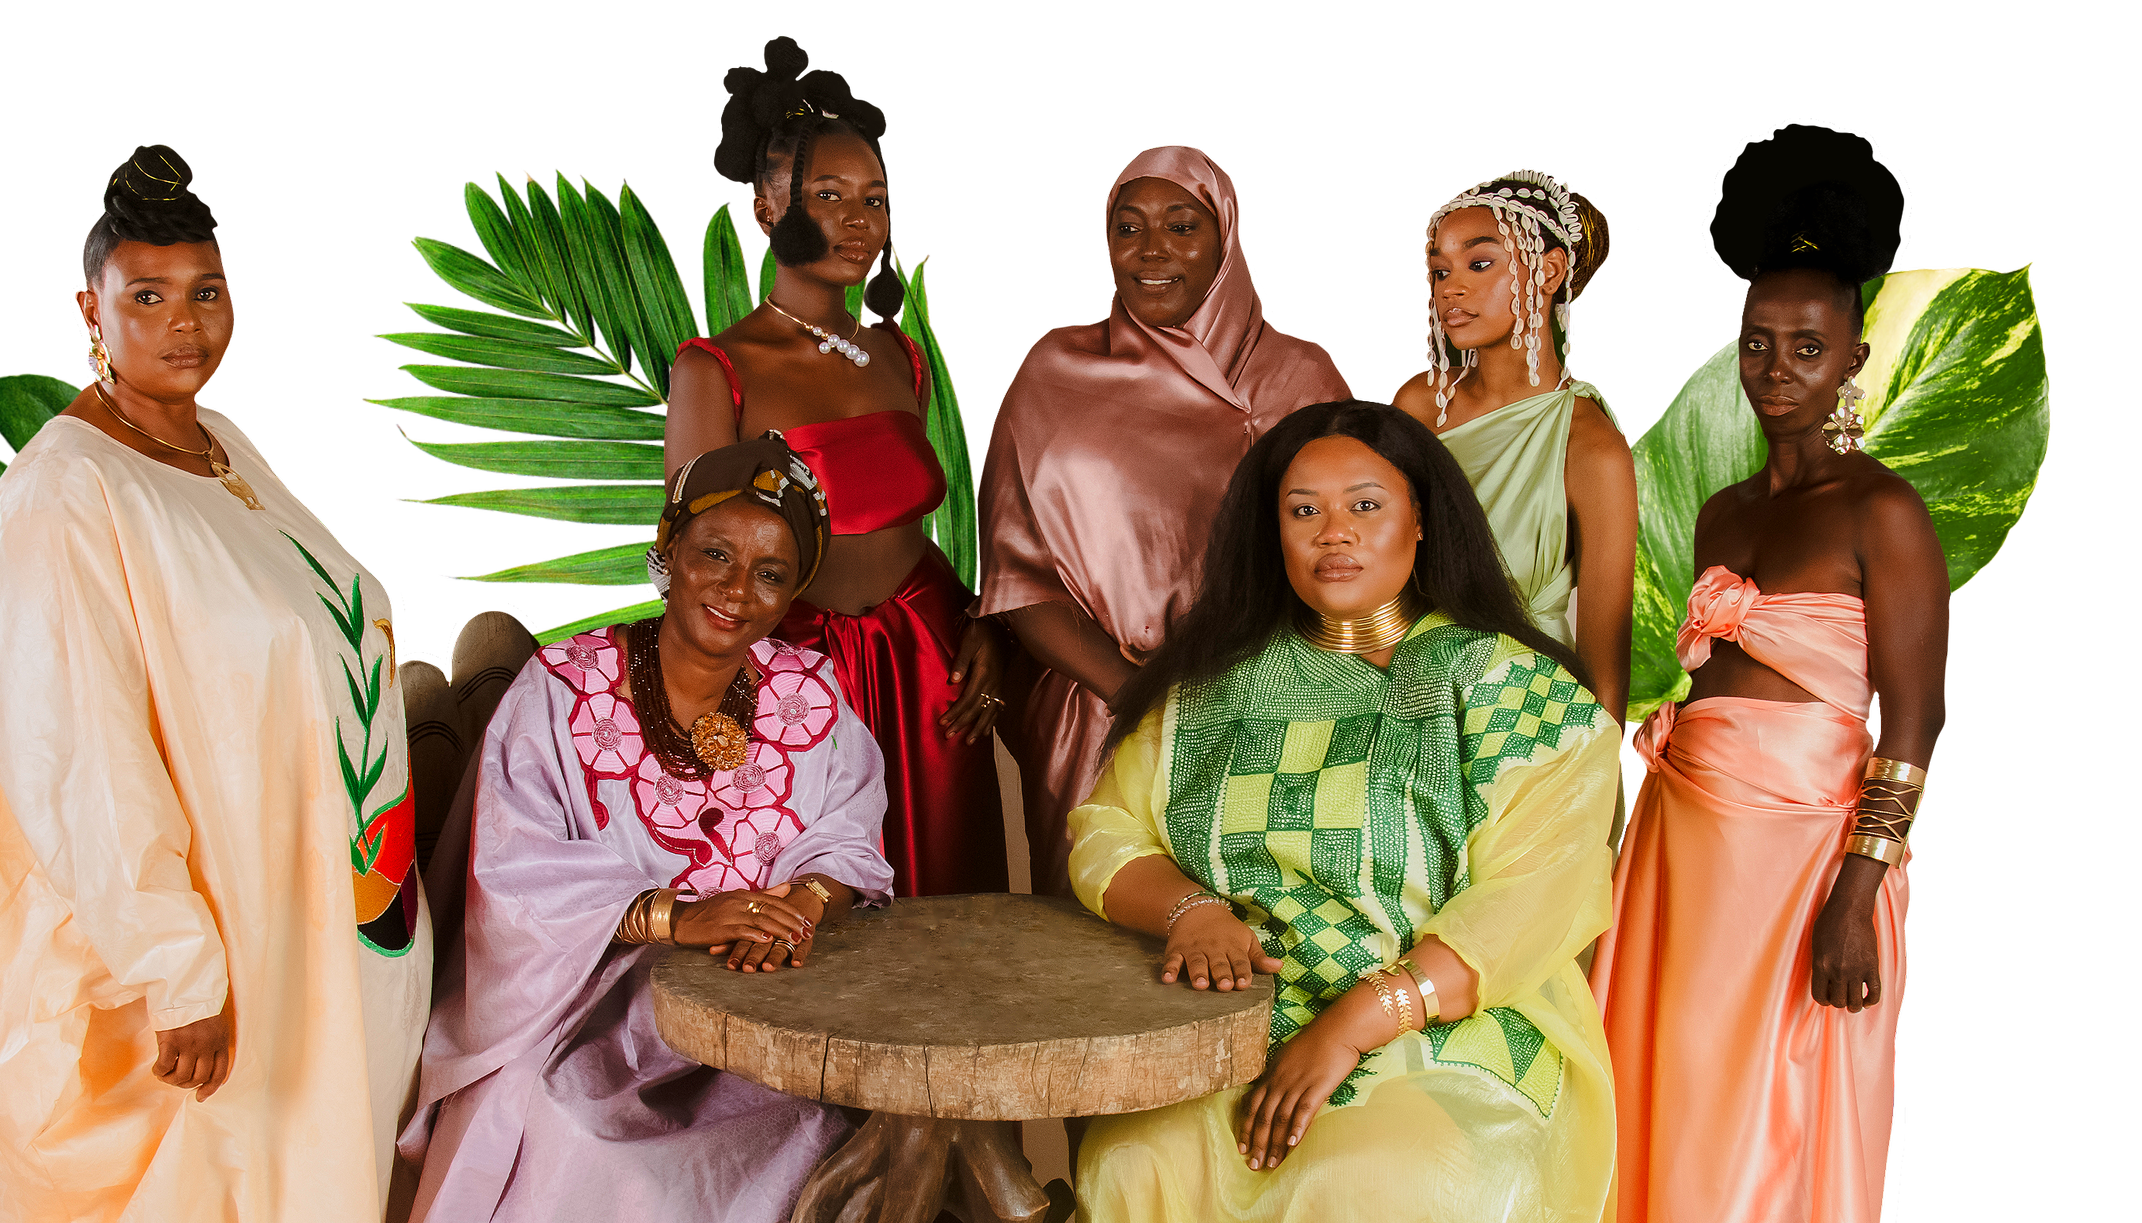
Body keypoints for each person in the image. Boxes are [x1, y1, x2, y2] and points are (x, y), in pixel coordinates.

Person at [0, 146, 430, 1221]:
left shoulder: (218, 444)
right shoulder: (64, 493)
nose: (183, 322)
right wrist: (178, 968)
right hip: (213, 962)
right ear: (88, 310)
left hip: (315, 931)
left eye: (206, 290)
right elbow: (79, 756)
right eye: (145, 296)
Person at [1069, 401, 1620, 1222]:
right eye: (1304, 511)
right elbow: (1105, 828)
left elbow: (1534, 894)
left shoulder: (1510, 686)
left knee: (1387, 1181)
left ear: (1422, 521)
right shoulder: (1212, 690)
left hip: (1450, 1028)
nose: (1335, 532)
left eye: (1366, 505)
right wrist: (1191, 911)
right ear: (1274, 533)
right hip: (1246, 1024)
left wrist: (1355, 1024)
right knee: (1130, 1158)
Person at [401, 434, 896, 1222]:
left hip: (766, 1007)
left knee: (826, 1123)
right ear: (668, 543)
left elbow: (846, 839)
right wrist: (677, 915)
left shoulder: (811, 692)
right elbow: (515, 875)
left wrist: (797, 908)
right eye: (715, 553)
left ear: (796, 586)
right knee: (574, 1132)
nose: (737, 589)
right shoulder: (563, 688)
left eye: (770, 573)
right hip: (578, 1013)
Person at [1592, 183, 1944, 1223]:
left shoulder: (1882, 508)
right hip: (1680, 832)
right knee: (1665, 1070)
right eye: (1756, 344)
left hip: (1802, 860)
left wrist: (1856, 887)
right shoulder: (1721, 511)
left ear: (1850, 361)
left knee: (1766, 1098)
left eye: (1804, 346)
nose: (1774, 369)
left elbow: (1914, 720)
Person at [666, 35, 1006, 898]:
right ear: (766, 210)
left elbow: (913, 523)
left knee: (950, 908)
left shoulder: (900, 354)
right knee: (811, 909)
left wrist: (983, 625)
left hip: (930, 661)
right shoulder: (717, 368)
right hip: (793, 671)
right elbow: (694, 557)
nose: (859, 222)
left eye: (875, 199)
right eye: (829, 196)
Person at [978, 146, 1355, 897]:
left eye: (1182, 226)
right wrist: (1138, 694)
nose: (1151, 250)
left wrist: (1228, 698)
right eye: (1128, 228)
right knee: (1093, 944)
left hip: (1256, 715)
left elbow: (1341, 565)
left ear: (1226, 242)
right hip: (1094, 714)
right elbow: (1017, 577)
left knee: (1245, 945)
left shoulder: (1301, 379)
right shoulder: (1051, 370)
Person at [1394, 169, 1635, 724]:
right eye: (1438, 271)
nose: (1451, 287)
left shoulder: (1590, 445)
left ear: (1549, 271)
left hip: (1526, 711)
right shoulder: (1420, 405)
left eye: (1480, 264)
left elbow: (1606, 652)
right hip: (1409, 695)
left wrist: (1593, 793)